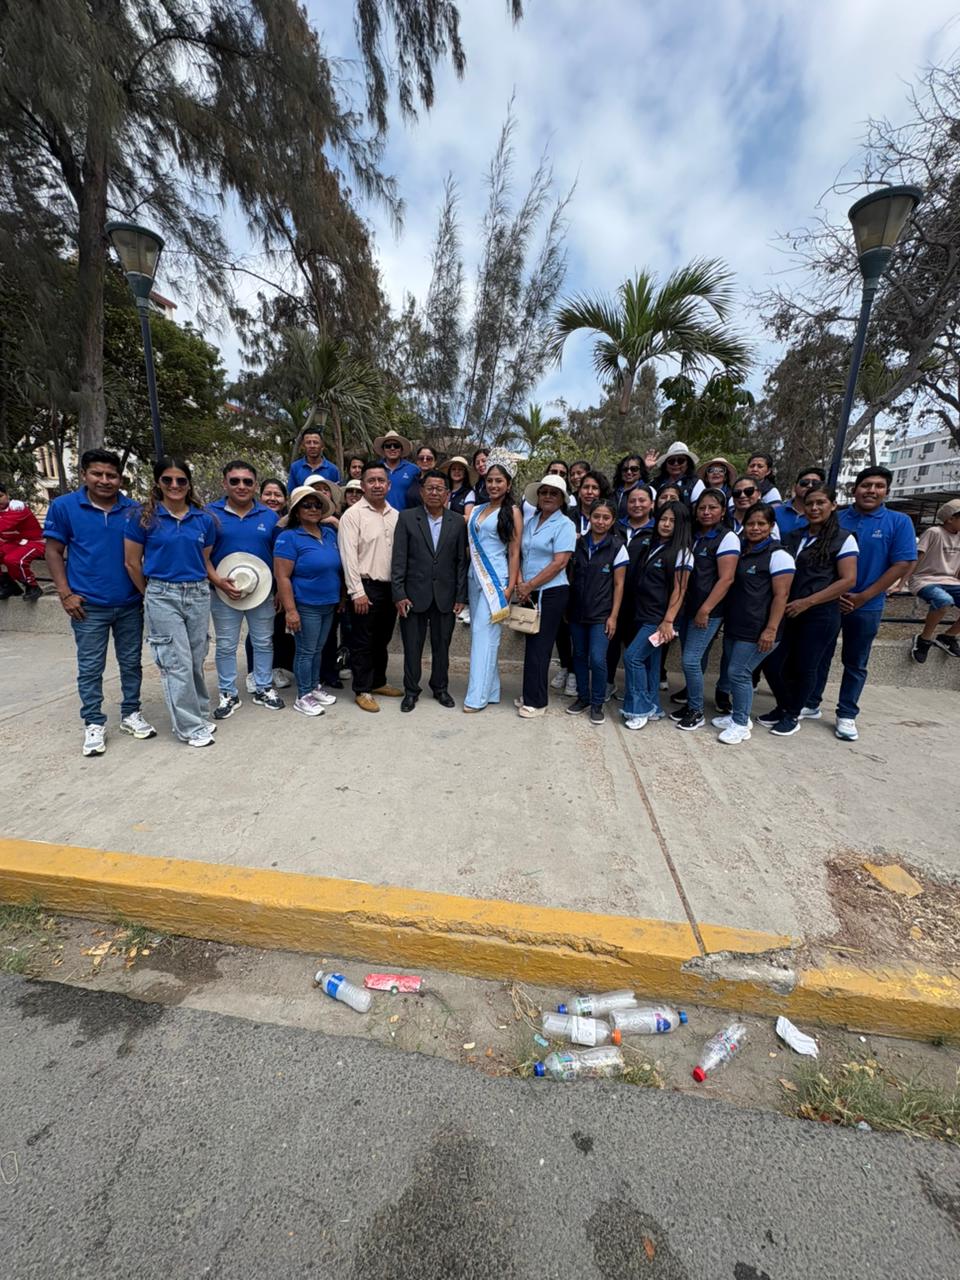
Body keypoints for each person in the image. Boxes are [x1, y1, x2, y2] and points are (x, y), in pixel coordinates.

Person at [42, 448, 155, 757]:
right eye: (97, 474)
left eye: (111, 475)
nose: (105, 480)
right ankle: (93, 721)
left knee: (131, 662)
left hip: (129, 601)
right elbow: (53, 551)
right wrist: (65, 593)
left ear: (120, 478)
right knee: (91, 666)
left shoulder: (134, 510)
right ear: (84, 475)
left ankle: (131, 713)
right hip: (87, 604)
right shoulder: (64, 507)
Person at [806, 466, 917, 741]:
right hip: (830, 601)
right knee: (819, 654)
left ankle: (847, 713)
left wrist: (864, 596)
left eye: (879, 486)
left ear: (886, 491)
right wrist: (831, 594)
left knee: (855, 661)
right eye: (866, 485)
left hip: (867, 604)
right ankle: (811, 702)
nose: (872, 491)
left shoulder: (898, 521)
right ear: (855, 489)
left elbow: (902, 563)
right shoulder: (838, 517)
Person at [123, 457, 218, 748]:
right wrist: (150, 594)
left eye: (181, 480)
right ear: (158, 482)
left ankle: (200, 713)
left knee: (196, 659)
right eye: (168, 479)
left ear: (189, 484)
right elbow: (132, 562)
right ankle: (189, 727)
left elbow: (203, 558)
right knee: (176, 663)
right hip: (163, 593)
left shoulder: (203, 520)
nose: (174, 485)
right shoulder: (143, 518)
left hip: (197, 592)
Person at [759, 484, 859, 737]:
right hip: (788, 610)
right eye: (810, 503)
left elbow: (848, 580)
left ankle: (792, 714)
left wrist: (808, 602)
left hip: (819, 613)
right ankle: (784, 705)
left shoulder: (843, 538)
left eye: (820, 503)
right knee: (772, 662)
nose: (814, 508)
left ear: (833, 505)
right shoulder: (794, 536)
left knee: (805, 666)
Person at [204, 459, 283, 719]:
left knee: (263, 641)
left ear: (255, 485)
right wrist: (217, 581)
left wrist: (278, 590)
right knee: (226, 644)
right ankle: (228, 693)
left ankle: (263, 687)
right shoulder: (209, 514)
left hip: (261, 592)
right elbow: (202, 555)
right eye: (235, 481)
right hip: (222, 591)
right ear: (224, 483)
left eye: (247, 481)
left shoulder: (269, 517)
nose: (241, 486)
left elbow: (278, 557)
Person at [713, 503, 795, 745]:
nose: (755, 528)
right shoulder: (742, 550)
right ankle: (738, 716)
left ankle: (740, 724)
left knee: (739, 672)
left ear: (771, 526)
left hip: (759, 629)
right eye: (750, 523)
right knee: (736, 673)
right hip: (737, 624)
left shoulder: (778, 555)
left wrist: (770, 629)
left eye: (761, 524)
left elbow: (781, 595)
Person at [391, 469, 468, 711]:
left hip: (446, 596)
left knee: (441, 647)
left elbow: (461, 562)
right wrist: (399, 593)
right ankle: (411, 691)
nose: (434, 492)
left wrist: (461, 596)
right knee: (412, 647)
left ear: (447, 494)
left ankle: (440, 688)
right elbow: (399, 559)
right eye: (430, 488)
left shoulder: (457, 521)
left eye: (439, 489)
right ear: (422, 492)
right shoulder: (407, 518)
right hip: (413, 595)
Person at [671, 489, 740, 731]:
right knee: (695, 660)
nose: (706, 512)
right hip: (687, 607)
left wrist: (706, 609)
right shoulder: (693, 534)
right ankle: (692, 702)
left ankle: (697, 711)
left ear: (722, 511)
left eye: (712, 507)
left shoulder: (727, 537)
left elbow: (726, 579)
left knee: (690, 660)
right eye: (702, 508)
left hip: (708, 611)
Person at [621, 502, 693, 730]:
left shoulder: (682, 553)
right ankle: (653, 706)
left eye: (672, 521)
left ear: (681, 525)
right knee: (650, 662)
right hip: (643, 614)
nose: (666, 524)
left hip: (660, 619)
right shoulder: (653, 546)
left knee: (632, 658)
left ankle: (639, 709)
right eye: (663, 519)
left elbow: (680, 590)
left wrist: (668, 621)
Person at [338, 460, 402, 712]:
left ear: (389, 485)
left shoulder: (396, 515)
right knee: (362, 641)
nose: (377, 485)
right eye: (371, 480)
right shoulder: (352, 515)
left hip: (390, 588)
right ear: (363, 485)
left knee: (382, 639)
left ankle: (378, 682)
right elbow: (349, 557)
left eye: (381, 480)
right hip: (365, 587)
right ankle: (362, 689)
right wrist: (357, 592)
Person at [273, 486, 343, 717]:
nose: (313, 509)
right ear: (296, 510)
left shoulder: (329, 534)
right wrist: (291, 611)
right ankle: (303, 695)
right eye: (307, 505)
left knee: (317, 649)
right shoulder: (288, 537)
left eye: (317, 505)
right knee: (305, 651)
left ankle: (313, 687)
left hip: (328, 603)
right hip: (305, 604)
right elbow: (282, 577)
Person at [463, 455, 522, 713]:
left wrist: (510, 588)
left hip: (496, 581)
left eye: (499, 481)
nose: (494, 485)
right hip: (474, 577)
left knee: (483, 636)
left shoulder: (513, 512)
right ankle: (492, 690)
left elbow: (515, 552)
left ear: (508, 484)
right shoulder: (477, 510)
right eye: (490, 480)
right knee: (483, 637)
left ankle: (476, 697)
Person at [516, 475, 576, 718]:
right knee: (531, 644)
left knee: (540, 647)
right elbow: (520, 554)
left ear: (562, 499)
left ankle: (537, 702)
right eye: (544, 492)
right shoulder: (531, 522)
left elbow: (559, 562)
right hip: (529, 590)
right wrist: (521, 583)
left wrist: (529, 585)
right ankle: (530, 692)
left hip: (551, 592)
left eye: (554, 493)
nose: (548, 496)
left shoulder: (565, 525)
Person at [566, 498, 628, 725]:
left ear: (612, 521)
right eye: (596, 516)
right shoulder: (578, 543)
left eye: (606, 518)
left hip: (602, 614)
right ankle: (583, 697)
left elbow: (619, 585)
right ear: (589, 518)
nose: (600, 521)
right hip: (577, 611)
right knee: (579, 655)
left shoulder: (618, 547)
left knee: (597, 658)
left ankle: (597, 702)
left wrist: (613, 616)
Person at [606, 486, 657, 698]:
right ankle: (608, 683)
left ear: (652, 504)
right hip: (612, 596)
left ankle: (637, 692)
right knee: (610, 644)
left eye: (642, 500)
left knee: (636, 649)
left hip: (643, 601)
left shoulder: (657, 531)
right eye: (632, 501)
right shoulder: (615, 527)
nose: (637, 505)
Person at [243, 479, 293, 692]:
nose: (273, 498)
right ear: (260, 495)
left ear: (285, 499)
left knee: (278, 627)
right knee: (257, 629)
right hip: (256, 581)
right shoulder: (253, 519)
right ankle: (253, 672)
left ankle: (275, 668)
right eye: (268, 494)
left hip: (280, 582)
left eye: (277, 495)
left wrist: (281, 589)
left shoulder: (288, 522)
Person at [907, 497, 960, 663]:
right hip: (924, 579)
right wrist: (903, 581)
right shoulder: (934, 532)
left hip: (951, 580)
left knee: (945, 598)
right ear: (950, 519)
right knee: (943, 600)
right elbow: (917, 557)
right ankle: (924, 639)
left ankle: (948, 636)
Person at [0, 487, 45, 601]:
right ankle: (8, 584)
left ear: (7, 494)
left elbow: (3, 524)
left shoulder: (17, 507)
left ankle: (32, 586)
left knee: (12, 559)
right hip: (15, 543)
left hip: (35, 542)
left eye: (0, 496)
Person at [374, 429, 420, 510]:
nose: (392, 448)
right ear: (383, 449)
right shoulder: (374, 468)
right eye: (388, 446)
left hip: (405, 516)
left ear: (401, 449)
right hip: (377, 515)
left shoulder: (413, 470)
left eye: (396, 445)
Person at [774, 467, 826, 538]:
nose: (810, 485)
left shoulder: (824, 516)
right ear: (794, 487)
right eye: (804, 482)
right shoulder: (775, 512)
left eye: (815, 483)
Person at [651, 442, 704, 506]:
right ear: (665, 465)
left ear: (688, 464)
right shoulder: (656, 483)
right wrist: (647, 469)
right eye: (671, 461)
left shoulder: (695, 483)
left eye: (680, 460)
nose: (676, 464)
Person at [567, 470, 611, 538]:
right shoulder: (567, 515)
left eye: (595, 488)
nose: (589, 492)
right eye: (586, 487)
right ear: (579, 491)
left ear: (601, 492)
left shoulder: (608, 519)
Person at [405, 444, 439, 509]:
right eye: (421, 458)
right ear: (417, 461)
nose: (424, 460)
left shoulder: (438, 481)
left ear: (435, 461)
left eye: (429, 458)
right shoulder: (414, 478)